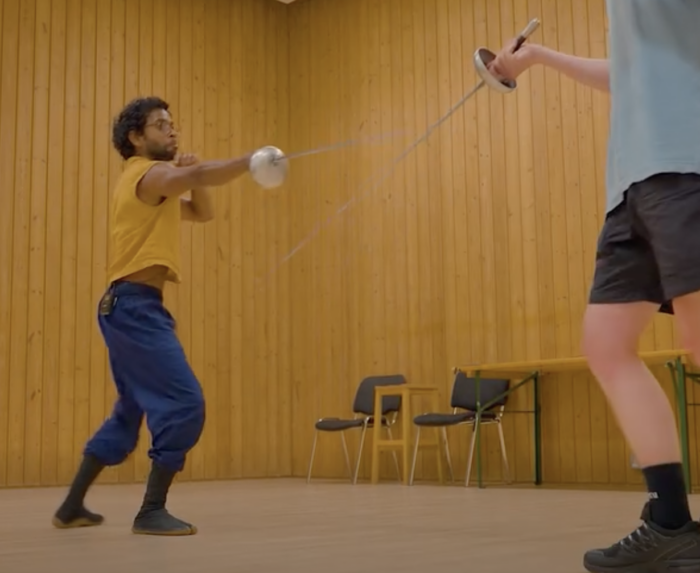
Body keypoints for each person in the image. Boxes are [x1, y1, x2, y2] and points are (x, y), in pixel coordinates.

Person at [490, 2, 700, 572]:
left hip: (686, 165)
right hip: (632, 188)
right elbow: (635, 75)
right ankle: (671, 523)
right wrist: (538, 57)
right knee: (607, 345)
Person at [51, 96, 262, 536]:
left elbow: (201, 211)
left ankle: (71, 506)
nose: (172, 130)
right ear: (135, 137)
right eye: (161, 125)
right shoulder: (146, 174)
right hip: (134, 308)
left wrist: (194, 174)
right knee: (185, 403)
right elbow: (196, 177)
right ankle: (151, 511)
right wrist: (249, 162)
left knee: (129, 411)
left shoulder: (151, 184)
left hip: (127, 307)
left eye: (172, 124)